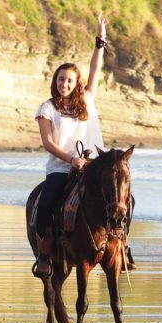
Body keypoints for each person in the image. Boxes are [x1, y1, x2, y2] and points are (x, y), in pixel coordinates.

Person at [32, 15, 110, 278]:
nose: (64, 84)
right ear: (55, 80)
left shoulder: (87, 99)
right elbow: (48, 142)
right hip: (60, 168)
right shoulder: (47, 108)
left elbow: (96, 68)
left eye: (69, 80)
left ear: (76, 83)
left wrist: (100, 40)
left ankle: (121, 247)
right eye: (60, 79)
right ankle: (45, 255)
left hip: (91, 167)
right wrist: (71, 160)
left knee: (119, 199)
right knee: (45, 207)